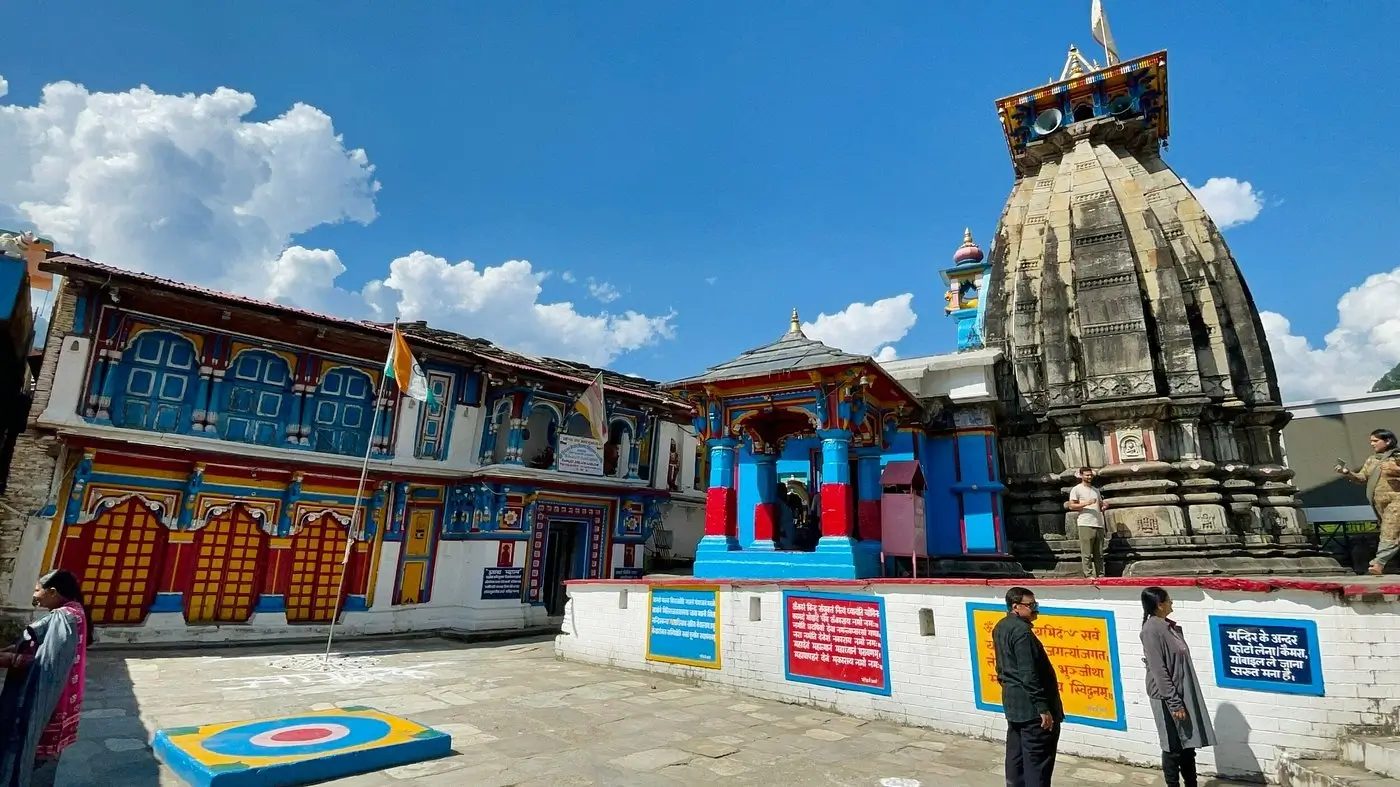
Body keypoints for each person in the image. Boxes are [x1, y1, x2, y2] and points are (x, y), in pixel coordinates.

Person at [0, 569, 91, 787]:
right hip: (63, 697)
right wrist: (17, 648)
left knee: (33, 761)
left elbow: (49, 664)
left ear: (52, 592)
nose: (35, 596)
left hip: (49, 702)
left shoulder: (65, 618)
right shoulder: (75, 612)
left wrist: (10, 659)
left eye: (37, 590)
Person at [1140, 587, 1214, 787]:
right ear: (1160, 605)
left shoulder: (1169, 627)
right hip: (1166, 696)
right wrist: (1174, 703)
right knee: (1172, 747)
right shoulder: (1150, 630)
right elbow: (1159, 670)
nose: (1172, 602)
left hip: (1183, 693)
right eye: (1169, 600)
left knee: (1188, 745)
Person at [992, 586, 1064, 787]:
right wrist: (1042, 707)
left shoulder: (1001, 626)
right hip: (1033, 710)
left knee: (1016, 759)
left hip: (1013, 705)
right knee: (1037, 764)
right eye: (1031, 605)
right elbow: (1028, 673)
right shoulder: (1022, 633)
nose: (1035, 609)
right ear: (1016, 607)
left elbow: (1001, 667)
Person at [1335, 428, 1400, 575]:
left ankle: (1379, 563)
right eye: (1371, 441)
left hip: (1396, 501)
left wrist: (1395, 468)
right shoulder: (1372, 460)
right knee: (1394, 532)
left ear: (1388, 441)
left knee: (1389, 531)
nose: (1372, 444)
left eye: (1376, 441)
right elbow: (1362, 478)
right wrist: (1347, 473)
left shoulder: (1397, 457)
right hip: (1379, 504)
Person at [1068, 466, 1108, 579]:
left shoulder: (1095, 490)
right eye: (1086, 475)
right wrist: (1086, 503)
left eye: (1090, 475)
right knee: (1086, 552)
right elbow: (1071, 506)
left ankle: (1101, 574)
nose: (1089, 477)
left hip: (1098, 523)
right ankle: (1088, 574)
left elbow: (1099, 505)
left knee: (1099, 553)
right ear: (1081, 475)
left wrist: (1103, 506)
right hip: (1085, 523)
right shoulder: (1077, 489)